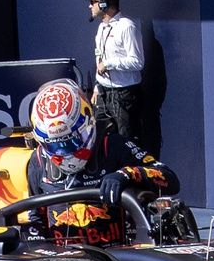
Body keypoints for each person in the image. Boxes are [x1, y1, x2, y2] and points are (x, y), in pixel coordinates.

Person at [26, 78, 178, 246]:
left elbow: (169, 178)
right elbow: (35, 219)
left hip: (115, 257)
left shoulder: (112, 145)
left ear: (88, 122)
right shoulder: (38, 161)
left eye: (73, 141)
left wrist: (126, 174)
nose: (66, 151)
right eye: (56, 145)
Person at [89, 0, 144, 139]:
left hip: (124, 95)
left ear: (104, 4)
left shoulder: (127, 27)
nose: (90, 5)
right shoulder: (101, 28)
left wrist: (109, 64)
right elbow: (99, 57)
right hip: (103, 93)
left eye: (93, 2)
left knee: (125, 140)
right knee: (100, 139)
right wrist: (97, 86)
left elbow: (138, 62)